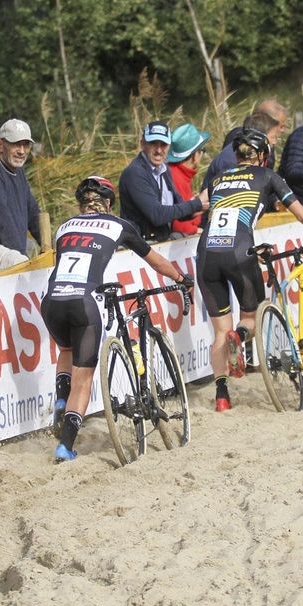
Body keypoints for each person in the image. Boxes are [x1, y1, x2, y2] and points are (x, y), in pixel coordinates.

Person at [42, 177, 190, 462]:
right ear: (108, 203)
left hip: (51, 302)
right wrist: (181, 278)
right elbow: (154, 259)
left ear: (80, 203)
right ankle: (65, 446)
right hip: (83, 302)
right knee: (83, 381)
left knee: (65, 349)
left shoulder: (63, 227)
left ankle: (61, 399)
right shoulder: (119, 225)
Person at [200, 129, 303, 410]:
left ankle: (221, 397)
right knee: (251, 318)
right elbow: (301, 214)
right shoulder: (268, 176)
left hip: (206, 254)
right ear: (263, 156)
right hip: (240, 253)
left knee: (219, 331)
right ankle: (239, 337)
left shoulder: (217, 180)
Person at [117, 120, 207, 240]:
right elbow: (157, 215)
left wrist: (195, 210)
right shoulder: (134, 173)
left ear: (169, 146)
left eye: (163, 144)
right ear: (142, 144)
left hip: (159, 244)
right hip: (138, 248)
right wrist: (195, 204)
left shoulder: (165, 170)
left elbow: (177, 208)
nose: (159, 150)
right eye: (153, 143)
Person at [0, 118, 43, 264]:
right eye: (16, 145)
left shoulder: (18, 171)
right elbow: (1, 222)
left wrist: (49, 245)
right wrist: (21, 260)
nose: (22, 151)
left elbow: (33, 213)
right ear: (0, 145)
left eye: (26, 145)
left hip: (15, 256)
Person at [203, 108, 284, 188]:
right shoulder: (233, 160)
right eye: (273, 137)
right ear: (257, 138)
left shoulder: (252, 154)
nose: (274, 142)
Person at [167, 123, 211, 237]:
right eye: (202, 150)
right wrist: (198, 231)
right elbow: (179, 225)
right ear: (195, 155)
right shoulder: (176, 178)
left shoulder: (177, 173)